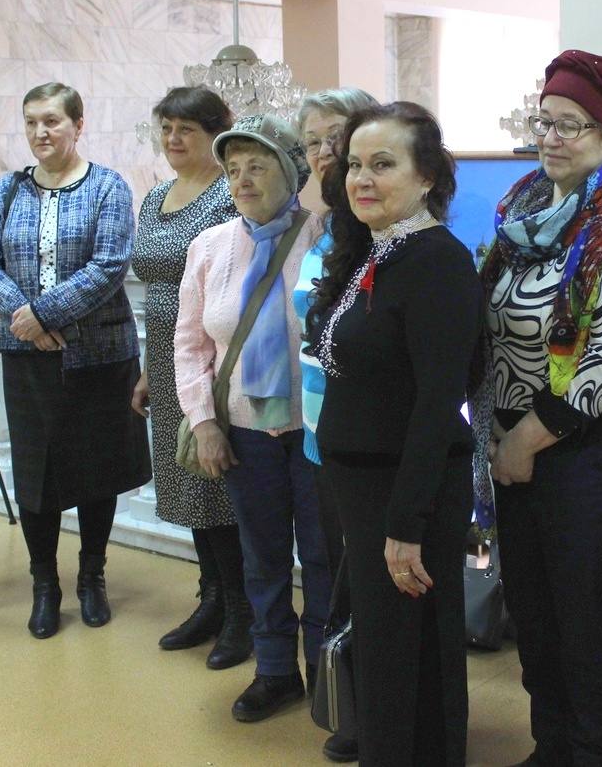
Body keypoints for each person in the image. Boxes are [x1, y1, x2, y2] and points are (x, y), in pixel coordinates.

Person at [479, 51, 602, 767]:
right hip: (515, 448)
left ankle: (593, 753)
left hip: (593, 452)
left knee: (587, 628)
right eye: (545, 122)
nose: (551, 138)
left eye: (572, 125)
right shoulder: (524, 214)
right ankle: (551, 746)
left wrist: (525, 440)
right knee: (535, 617)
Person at [307, 101, 484, 767]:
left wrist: (406, 524)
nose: (362, 178)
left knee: (410, 656)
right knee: (386, 655)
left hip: (405, 495)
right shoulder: (380, 249)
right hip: (366, 489)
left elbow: (438, 403)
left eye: (383, 164)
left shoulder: (436, 261)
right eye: (355, 164)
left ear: (427, 175)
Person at [0, 82, 150, 639]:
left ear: (78, 124)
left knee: (98, 470)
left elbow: (110, 265)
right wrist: (24, 317)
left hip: (98, 355)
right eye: (31, 122)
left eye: (51, 121)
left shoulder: (107, 186)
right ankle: (44, 583)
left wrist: (44, 313)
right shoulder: (8, 189)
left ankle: (92, 576)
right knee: (36, 474)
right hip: (28, 357)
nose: (40, 132)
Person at [174, 113, 329, 722]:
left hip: (316, 431)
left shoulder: (327, 238)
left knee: (322, 556)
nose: (241, 180)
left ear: (290, 174)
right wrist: (204, 422)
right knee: (261, 558)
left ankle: (327, 672)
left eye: (257, 166)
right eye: (233, 169)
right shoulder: (210, 247)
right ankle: (274, 671)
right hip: (242, 430)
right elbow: (190, 345)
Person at [129, 87, 253, 668]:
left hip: (213, 361)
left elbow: (230, 288)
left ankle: (243, 612)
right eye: (166, 129)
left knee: (216, 490)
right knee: (185, 485)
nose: (173, 140)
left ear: (215, 133)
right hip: (166, 356)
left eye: (186, 130)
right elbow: (154, 286)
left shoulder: (228, 197)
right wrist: (149, 370)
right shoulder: (157, 195)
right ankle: (211, 599)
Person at [291, 86, 377, 764]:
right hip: (320, 436)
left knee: (369, 583)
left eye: (337, 138)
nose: (325, 152)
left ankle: (375, 713)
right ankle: (346, 701)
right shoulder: (323, 230)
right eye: (313, 142)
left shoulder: (382, 227)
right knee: (331, 575)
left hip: (368, 443)